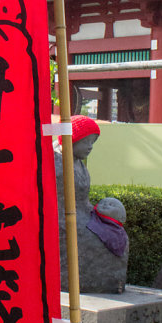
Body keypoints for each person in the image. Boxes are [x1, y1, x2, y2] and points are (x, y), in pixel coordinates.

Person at [54, 116, 129, 294]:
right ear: (72, 139)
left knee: (115, 231)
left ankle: (112, 281)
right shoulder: (56, 162)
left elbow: (83, 198)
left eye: (92, 142)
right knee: (94, 240)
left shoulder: (78, 163)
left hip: (83, 213)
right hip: (61, 217)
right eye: (86, 141)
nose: (90, 147)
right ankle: (82, 281)